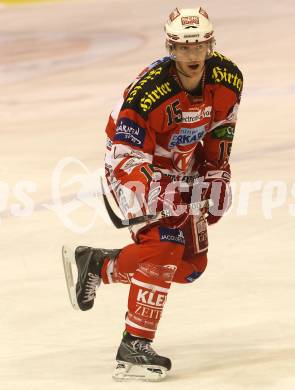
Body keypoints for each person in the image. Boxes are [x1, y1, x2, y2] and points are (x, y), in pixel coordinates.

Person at [63, 6, 243, 381]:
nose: (193, 56)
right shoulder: (148, 93)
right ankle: (135, 341)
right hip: (131, 165)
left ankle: (99, 264)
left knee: (192, 266)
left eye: (200, 47)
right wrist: (155, 195)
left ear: (210, 45)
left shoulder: (228, 79)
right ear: (170, 48)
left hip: (180, 168)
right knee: (166, 244)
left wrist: (216, 175)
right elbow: (127, 152)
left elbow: (220, 131)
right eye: (183, 48)